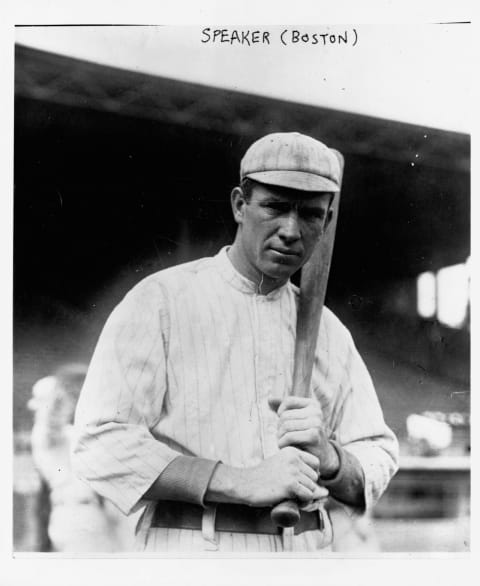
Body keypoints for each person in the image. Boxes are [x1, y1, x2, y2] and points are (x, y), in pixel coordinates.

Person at [73, 132, 399, 552]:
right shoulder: (161, 301)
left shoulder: (332, 333)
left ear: (328, 221)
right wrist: (238, 481)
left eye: (311, 215)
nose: (290, 231)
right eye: (275, 207)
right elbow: (98, 443)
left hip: (306, 553)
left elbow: (377, 456)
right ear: (239, 206)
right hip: (194, 548)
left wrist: (330, 457)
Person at [29, 364, 139, 552]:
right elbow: (52, 420)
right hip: (75, 515)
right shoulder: (44, 437)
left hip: (96, 515)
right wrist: (63, 390)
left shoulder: (71, 434)